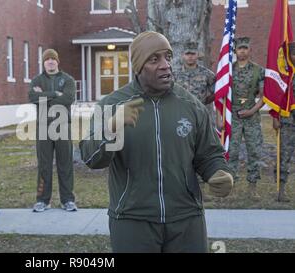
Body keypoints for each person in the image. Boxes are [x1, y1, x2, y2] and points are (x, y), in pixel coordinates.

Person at [79, 31, 233, 253]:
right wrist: (110, 127)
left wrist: (218, 172)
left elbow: (209, 154)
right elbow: (91, 157)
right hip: (132, 221)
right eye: (154, 59)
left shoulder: (191, 105)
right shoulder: (112, 105)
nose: (165, 65)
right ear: (138, 67)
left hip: (186, 219)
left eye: (168, 57)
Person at [28, 49, 77, 212]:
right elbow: (33, 98)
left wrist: (45, 97)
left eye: (53, 59)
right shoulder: (37, 80)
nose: (50, 61)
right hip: (43, 128)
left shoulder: (68, 79)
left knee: (65, 164)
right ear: (43, 62)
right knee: (44, 165)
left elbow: (68, 99)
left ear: (57, 61)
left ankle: (67, 200)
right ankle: (43, 200)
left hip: (62, 126)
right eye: (47, 59)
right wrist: (55, 94)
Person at [220, 37, 265, 200]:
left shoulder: (258, 70)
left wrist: (251, 111)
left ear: (249, 50)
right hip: (233, 117)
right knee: (232, 152)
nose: (243, 51)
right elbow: (222, 96)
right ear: (235, 51)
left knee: (254, 151)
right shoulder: (228, 71)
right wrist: (222, 116)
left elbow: (263, 97)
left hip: (251, 116)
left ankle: (252, 188)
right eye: (240, 48)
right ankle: (230, 186)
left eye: (245, 48)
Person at [173, 41, 217, 201]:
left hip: (200, 119)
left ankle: (201, 190)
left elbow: (217, 92)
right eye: (187, 53)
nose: (190, 56)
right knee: (182, 153)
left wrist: (204, 101)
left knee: (201, 153)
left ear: (198, 55)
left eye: (193, 53)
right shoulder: (175, 75)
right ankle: (181, 189)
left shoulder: (207, 74)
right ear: (183, 55)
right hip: (180, 120)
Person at [271, 42, 295, 203]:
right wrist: (274, 116)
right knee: (284, 155)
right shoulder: (284, 74)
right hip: (288, 120)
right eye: (293, 53)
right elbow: (275, 95)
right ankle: (281, 190)